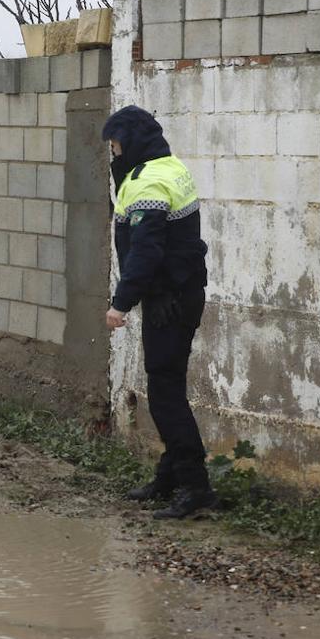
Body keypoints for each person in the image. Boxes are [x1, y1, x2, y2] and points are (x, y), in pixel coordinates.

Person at [102, 105, 215, 519]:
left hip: (170, 299)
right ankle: (170, 473)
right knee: (167, 387)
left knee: (166, 394)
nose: (113, 154)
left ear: (130, 143)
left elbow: (146, 251)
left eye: (115, 146)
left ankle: (195, 486)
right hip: (178, 292)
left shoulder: (150, 182)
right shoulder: (164, 168)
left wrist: (120, 303)